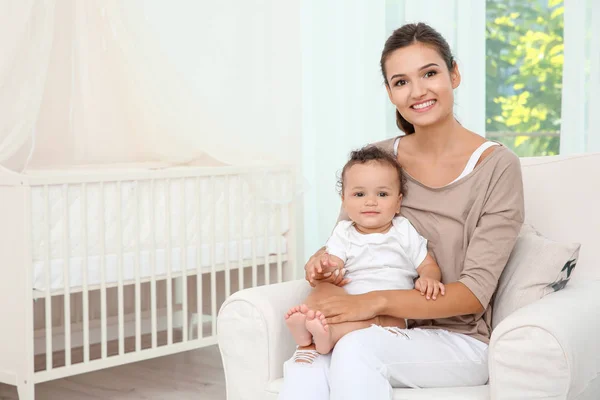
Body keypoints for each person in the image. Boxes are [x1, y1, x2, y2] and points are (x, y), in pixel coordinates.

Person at [278, 22, 524, 400]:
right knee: (303, 367)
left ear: (454, 73)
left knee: (358, 348)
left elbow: (473, 293)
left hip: (454, 338)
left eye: (429, 73)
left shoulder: (497, 166)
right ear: (391, 92)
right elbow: (346, 248)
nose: (418, 91)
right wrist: (323, 269)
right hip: (366, 322)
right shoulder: (378, 160)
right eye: (401, 81)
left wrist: (371, 303)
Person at [284, 146, 445, 355]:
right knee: (323, 288)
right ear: (344, 201)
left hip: (386, 307)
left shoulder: (404, 230)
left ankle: (329, 334)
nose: (371, 201)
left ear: (398, 203)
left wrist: (429, 278)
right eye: (359, 194)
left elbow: (428, 265)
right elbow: (334, 265)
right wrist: (323, 269)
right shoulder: (344, 232)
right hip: (347, 301)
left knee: (393, 322)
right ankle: (306, 323)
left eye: (382, 194)